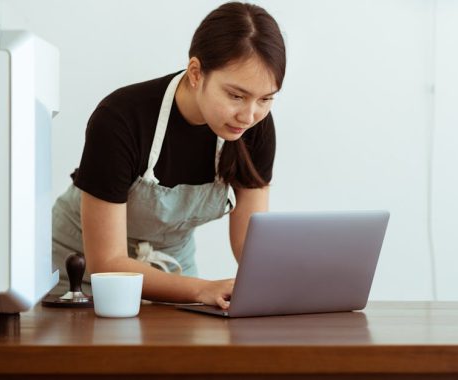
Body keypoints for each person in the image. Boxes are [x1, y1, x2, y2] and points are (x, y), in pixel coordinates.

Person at [51, 2, 286, 309]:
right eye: (236, 95)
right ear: (196, 73)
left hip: (174, 268)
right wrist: (201, 290)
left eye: (265, 99)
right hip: (82, 270)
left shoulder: (255, 127)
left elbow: (249, 245)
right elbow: (106, 262)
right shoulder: (121, 118)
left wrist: (288, 283)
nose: (249, 114)